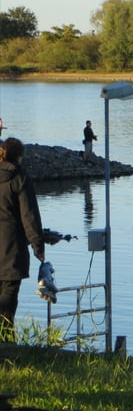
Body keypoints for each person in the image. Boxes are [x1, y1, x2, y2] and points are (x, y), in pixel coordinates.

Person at [0, 138, 45, 342]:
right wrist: (38, 246)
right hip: (12, 252)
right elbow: (30, 216)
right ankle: (7, 344)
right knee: (8, 305)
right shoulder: (20, 178)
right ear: (19, 156)